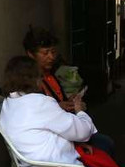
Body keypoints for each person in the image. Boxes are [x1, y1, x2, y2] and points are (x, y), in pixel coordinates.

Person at [23, 26, 114, 154]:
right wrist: (59, 106)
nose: (51, 57)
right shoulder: (29, 82)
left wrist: (69, 102)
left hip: (65, 130)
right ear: (30, 54)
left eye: (53, 52)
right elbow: (35, 116)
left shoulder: (50, 76)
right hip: (52, 139)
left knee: (105, 142)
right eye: (45, 53)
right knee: (104, 144)